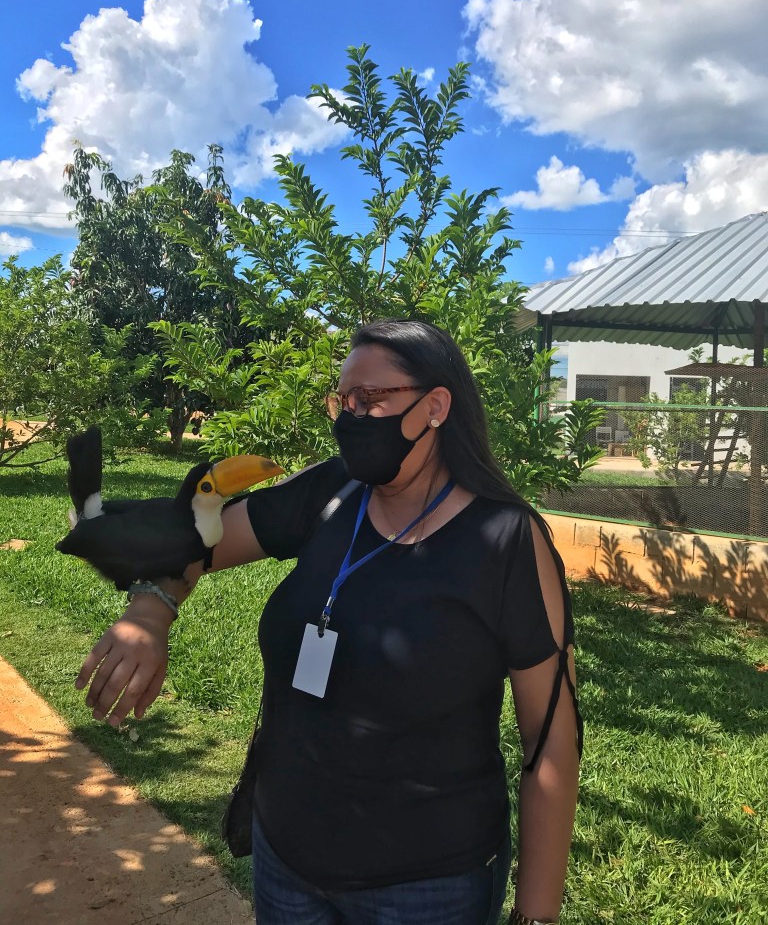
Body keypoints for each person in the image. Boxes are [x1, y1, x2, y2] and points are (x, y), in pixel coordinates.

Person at [76, 318, 583, 925]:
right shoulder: (332, 491)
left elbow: (551, 736)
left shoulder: (506, 540)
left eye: (371, 398)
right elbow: (194, 544)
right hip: (285, 859)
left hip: (428, 886)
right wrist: (149, 614)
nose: (352, 417)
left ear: (436, 407)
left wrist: (536, 917)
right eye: (344, 401)